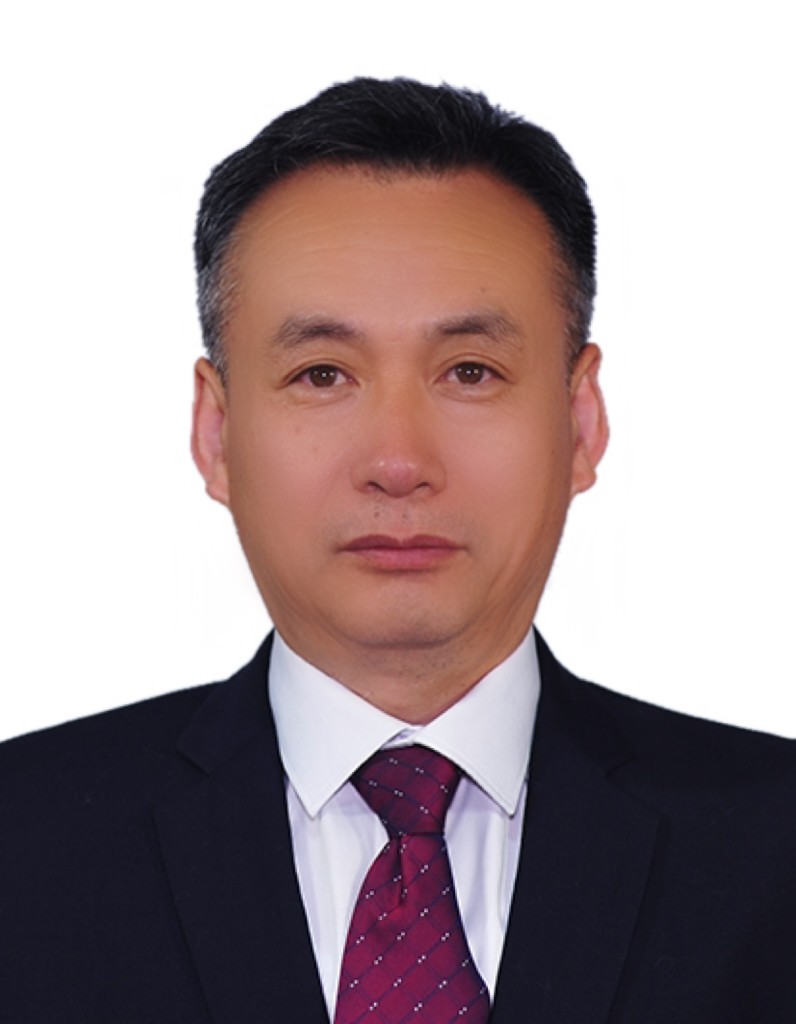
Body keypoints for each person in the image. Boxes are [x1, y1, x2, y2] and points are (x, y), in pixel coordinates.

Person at [1, 77, 793, 1024]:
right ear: (216, 432)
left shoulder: (773, 846)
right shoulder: (23, 844)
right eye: (321, 374)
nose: (398, 462)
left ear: (581, 422)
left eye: (470, 371)